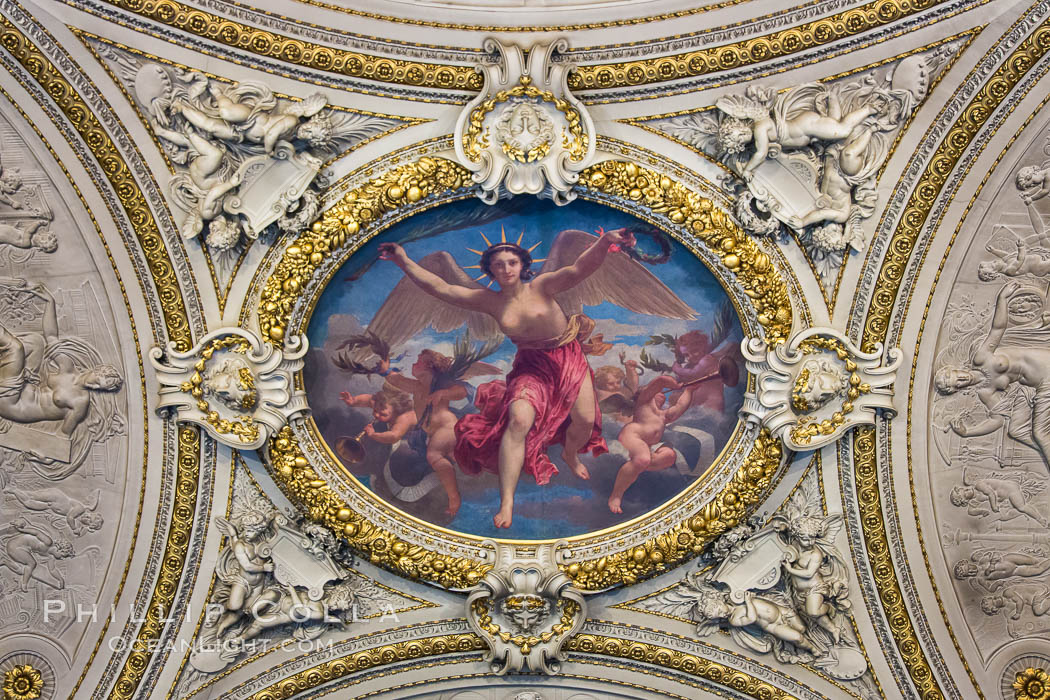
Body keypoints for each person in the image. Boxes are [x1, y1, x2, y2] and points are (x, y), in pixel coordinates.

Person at [377, 229, 633, 528]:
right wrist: (402, 260)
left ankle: (570, 453)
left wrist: (605, 241)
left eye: (512, 262)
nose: (506, 269)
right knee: (518, 420)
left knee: (586, 421)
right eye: (499, 265)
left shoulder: (543, 285)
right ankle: (507, 502)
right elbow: (439, 287)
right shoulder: (489, 301)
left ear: (523, 265)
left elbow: (580, 268)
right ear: (490, 271)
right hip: (531, 368)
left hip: (568, 360)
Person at [936, 281, 1050, 474]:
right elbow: (997, 420)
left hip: (1043, 367)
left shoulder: (981, 358)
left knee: (1038, 432)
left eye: (953, 374)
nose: (959, 378)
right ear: (956, 389)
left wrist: (1002, 299)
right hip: (1042, 386)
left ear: (956, 369)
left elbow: (997, 329)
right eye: (954, 383)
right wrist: (967, 432)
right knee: (1019, 431)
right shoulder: (985, 391)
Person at [608, 375, 695, 513]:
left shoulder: (663, 415)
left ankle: (635, 469)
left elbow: (680, 406)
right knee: (643, 458)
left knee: (669, 456)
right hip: (633, 435)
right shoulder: (643, 402)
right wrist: (674, 385)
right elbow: (659, 382)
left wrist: (689, 391)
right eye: (659, 392)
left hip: (647, 445)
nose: (662, 394)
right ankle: (616, 495)